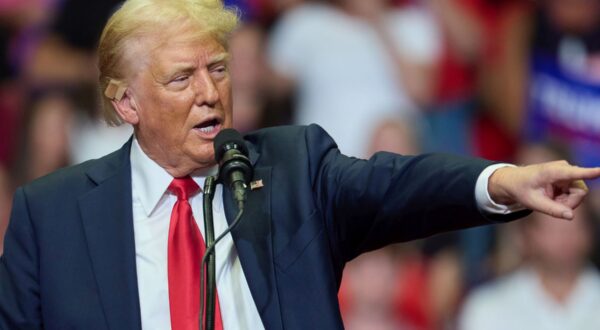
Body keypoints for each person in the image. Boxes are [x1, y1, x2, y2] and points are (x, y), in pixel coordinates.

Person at [1, 0, 599, 329]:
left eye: (218, 69)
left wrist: (501, 181)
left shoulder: (290, 168)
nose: (209, 93)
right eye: (181, 78)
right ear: (126, 102)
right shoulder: (50, 215)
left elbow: (396, 186)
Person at [458, 202, 600, 330]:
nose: (566, 238)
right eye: (553, 228)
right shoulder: (486, 307)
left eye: (575, 226)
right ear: (526, 234)